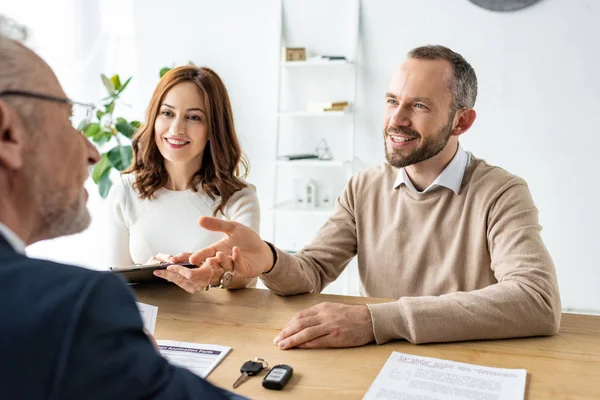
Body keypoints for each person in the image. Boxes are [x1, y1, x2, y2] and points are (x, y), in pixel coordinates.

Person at [165, 45, 561, 348]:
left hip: (470, 364)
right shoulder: (364, 188)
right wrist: (268, 259)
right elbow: (311, 272)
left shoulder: (502, 192)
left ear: (462, 121)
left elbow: (536, 300)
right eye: (392, 101)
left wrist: (378, 321)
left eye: (419, 106)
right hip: (384, 363)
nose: (397, 120)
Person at [0, 19, 242, 399]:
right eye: (67, 119)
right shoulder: (76, 306)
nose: (93, 152)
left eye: (194, 116)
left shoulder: (238, 196)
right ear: (6, 133)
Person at [105, 65, 259, 291]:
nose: (177, 128)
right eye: (167, 113)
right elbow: (113, 286)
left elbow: (248, 275)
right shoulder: (124, 192)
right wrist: (147, 271)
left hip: (214, 324)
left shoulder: (239, 197)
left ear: (213, 129)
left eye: (194, 117)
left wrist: (213, 276)